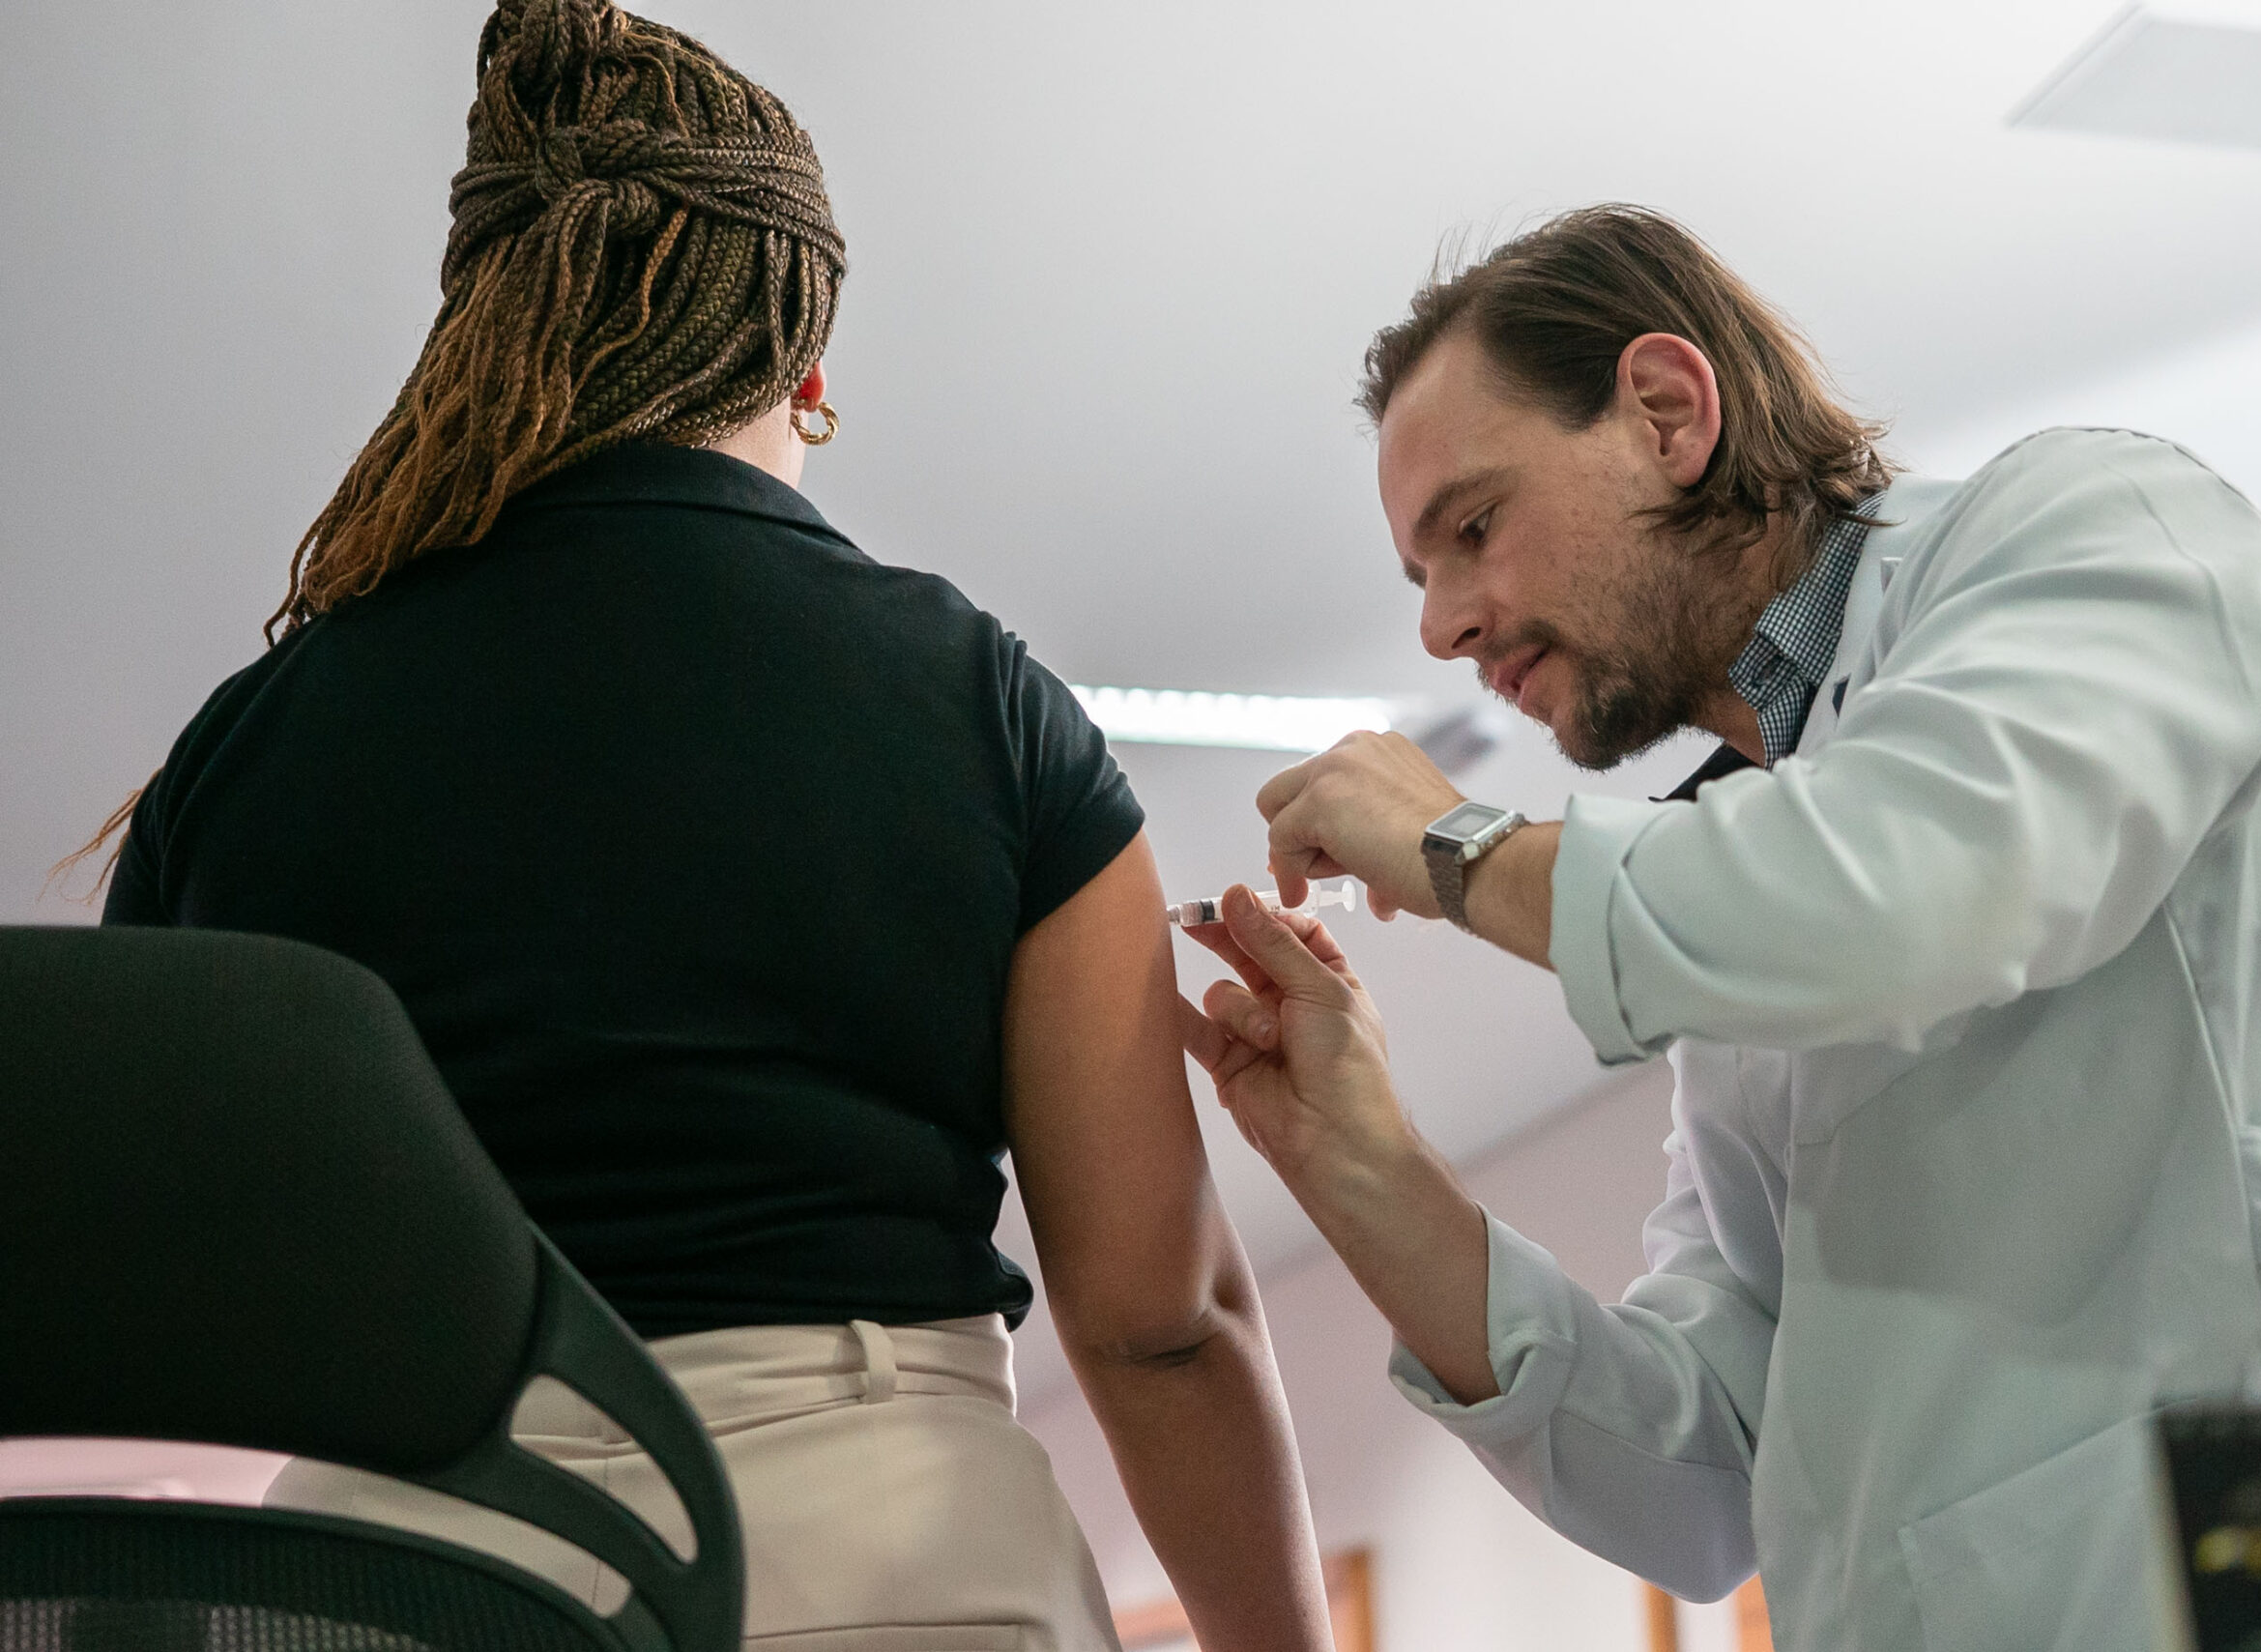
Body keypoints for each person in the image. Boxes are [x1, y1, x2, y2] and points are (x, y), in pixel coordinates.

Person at [84, 4, 1332, 1647]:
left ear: (489, 324)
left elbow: (192, 1287)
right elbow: (1157, 1320)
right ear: (804, 365)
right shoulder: (978, 698)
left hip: (403, 1587)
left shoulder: (243, 755)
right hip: (891, 1563)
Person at [1175, 205, 2261, 1649]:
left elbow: (1922, 887)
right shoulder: (1741, 873)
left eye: (1472, 528)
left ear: (1668, 412)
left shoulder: (2099, 532)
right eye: (1420, 577)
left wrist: (1462, 848)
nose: (1441, 628)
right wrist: (1365, 1171)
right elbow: (1698, 1479)